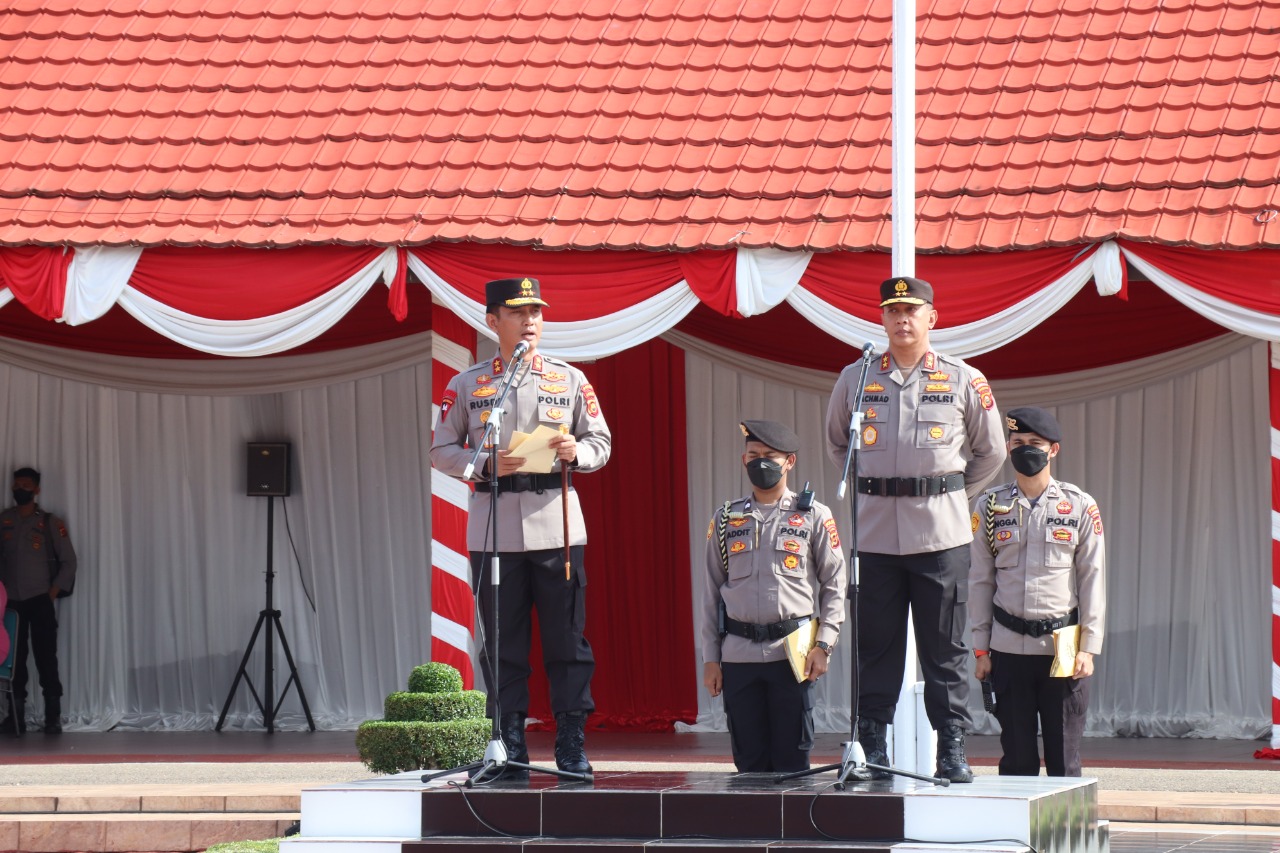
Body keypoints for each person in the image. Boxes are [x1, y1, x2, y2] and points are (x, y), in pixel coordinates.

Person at [824, 275, 1006, 782]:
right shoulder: (857, 378)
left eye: (912, 311)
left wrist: (950, 495)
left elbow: (992, 451)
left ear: (932, 318)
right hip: (876, 534)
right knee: (876, 646)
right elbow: (838, 444)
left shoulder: (963, 379)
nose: (902, 320)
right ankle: (873, 746)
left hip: (940, 536)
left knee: (943, 647)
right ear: (882, 318)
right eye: (892, 311)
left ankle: (952, 748)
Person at [430, 277, 611, 775]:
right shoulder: (466, 385)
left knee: (566, 641)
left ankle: (571, 744)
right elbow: (440, 450)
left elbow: (601, 441)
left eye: (537, 312)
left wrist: (580, 451)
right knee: (504, 644)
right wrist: (483, 461)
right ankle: (507, 743)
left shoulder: (569, 378)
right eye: (518, 312)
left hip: (558, 528)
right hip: (495, 529)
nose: (531, 320)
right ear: (493, 322)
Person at [700, 420, 846, 772]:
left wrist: (823, 645)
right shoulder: (726, 519)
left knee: (792, 760)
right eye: (753, 455)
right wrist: (710, 658)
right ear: (743, 459)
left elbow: (835, 585)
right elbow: (710, 592)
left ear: (789, 462)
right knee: (748, 761)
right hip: (739, 656)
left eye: (769, 456)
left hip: (791, 655)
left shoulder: (813, 515)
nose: (760, 462)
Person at [969, 406, 1106, 777]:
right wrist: (981, 649)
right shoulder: (990, 505)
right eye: (1018, 443)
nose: (1026, 449)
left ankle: (1064, 833)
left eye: (1035, 443)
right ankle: (1017, 834)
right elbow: (980, 581)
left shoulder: (1078, 505)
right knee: (1016, 757)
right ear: (1008, 447)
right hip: (1008, 649)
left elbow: (1092, 578)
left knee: (1064, 755)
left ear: (1053, 450)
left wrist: (1089, 648)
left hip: (1061, 648)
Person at [0, 467, 78, 734]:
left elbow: (69, 562)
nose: (19, 488)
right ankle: (16, 715)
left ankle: (53, 716)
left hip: (40, 599)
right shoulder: (4, 520)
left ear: (36, 490)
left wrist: (53, 593)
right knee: (14, 659)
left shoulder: (49, 522)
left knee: (46, 657)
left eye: (25, 484)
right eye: (16, 484)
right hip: (12, 602)